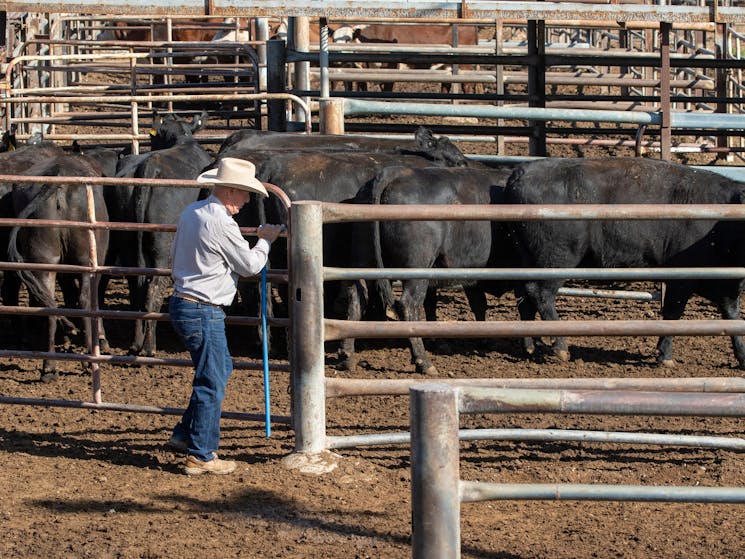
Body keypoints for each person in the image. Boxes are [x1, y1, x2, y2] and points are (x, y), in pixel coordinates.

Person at [166, 157, 284, 475]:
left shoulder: (192, 212)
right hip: (204, 308)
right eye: (245, 194)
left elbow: (174, 251)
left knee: (217, 370)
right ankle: (201, 455)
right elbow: (249, 266)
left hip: (183, 301)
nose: (247, 201)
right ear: (231, 191)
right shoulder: (220, 221)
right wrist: (265, 241)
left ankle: (185, 434)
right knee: (212, 379)